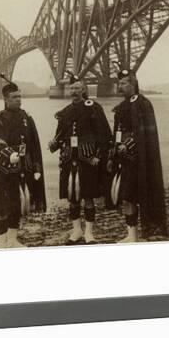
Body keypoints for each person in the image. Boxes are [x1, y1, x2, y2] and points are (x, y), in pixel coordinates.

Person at [48, 73, 113, 244]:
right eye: (71, 88)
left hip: (88, 160)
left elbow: (104, 135)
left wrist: (98, 156)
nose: (74, 91)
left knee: (89, 197)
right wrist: (53, 144)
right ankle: (76, 231)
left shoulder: (93, 108)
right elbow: (60, 136)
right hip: (69, 160)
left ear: (84, 89)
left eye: (77, 87)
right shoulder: (65, 112)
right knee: (73, 198)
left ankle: (89, 233)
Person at [0, 74, 47, 249]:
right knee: (2, 208)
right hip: (5, 170)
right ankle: (1, 243)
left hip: (23, 168)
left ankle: (12, 240)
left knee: (17, 205)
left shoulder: (27, 118)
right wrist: (8, 153)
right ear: (5, 99)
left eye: (20, 96)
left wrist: (36, 167)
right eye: (14, 97)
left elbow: (34, 144)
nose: (19, 100)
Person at [108, 66, 167, 242]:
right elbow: (116, 133)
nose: (120, 87)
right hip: (124, 161)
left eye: (124, 83)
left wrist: (128, 145)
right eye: (119, 83)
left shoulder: (144, 104)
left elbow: (146, 134)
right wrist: (112, 156)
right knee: (127, 198)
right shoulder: (121, 108)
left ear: (133, 84)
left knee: (137, 197)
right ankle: (131, 235)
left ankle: (141, 233)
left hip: (140, 162)